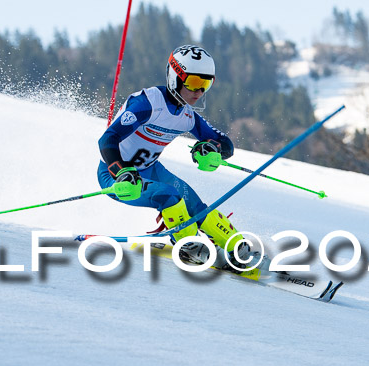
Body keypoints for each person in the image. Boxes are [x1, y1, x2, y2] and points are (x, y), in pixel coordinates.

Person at [97, 44, 258, 271]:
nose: (199, 92)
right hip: (116, 177)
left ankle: (237, 247)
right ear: (175, 77)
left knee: (193, 203)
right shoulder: (147, 104)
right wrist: (122, 172)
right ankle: (188, 247)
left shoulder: (187, 115)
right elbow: (107, 140)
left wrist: (210, 148)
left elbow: (226, 145)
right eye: (193, 83)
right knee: (169, 195)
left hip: (151, 170)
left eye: (206, 85)